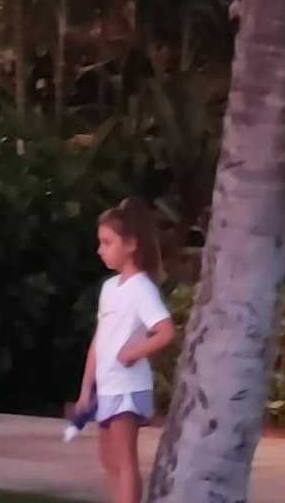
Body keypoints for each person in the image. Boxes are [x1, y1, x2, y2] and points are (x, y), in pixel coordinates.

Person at [72, 202, 176, 503]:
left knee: (124, 459)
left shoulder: (141, 288)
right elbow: (99, 339)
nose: (100, 250)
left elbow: (166, 331)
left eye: (107, 243)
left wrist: (132, 353)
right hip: (107, 386)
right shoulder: (109, 288)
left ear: (130, 244)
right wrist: (85, 388)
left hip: (128, 387)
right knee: (108, 460)